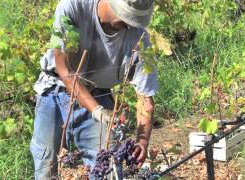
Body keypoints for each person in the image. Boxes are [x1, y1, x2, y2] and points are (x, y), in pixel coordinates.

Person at [30, 0, 157, 179]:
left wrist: (142, 141)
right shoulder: (72, 7)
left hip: (100, 95)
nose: (129, 26)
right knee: (45, 166)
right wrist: (96, 111)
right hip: (54, 92)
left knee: (108, 169)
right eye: (126, 18)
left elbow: (146, 101)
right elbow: (64, 69)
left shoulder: (140, 39)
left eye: (134, 21)